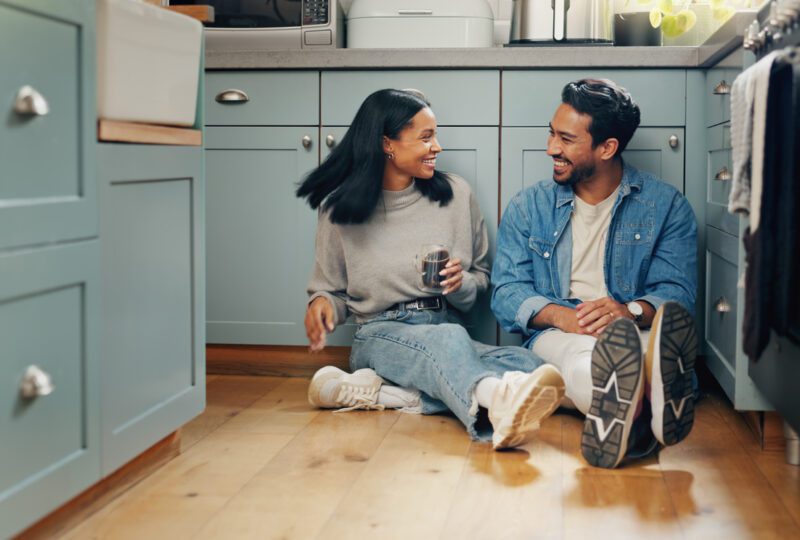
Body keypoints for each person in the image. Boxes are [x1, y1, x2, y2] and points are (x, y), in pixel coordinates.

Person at [296, 88, 565, 450]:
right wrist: (322, 305)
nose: (437, 147)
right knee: (451, 342)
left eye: (435, 136)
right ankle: (493, 404)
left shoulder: (456, 195)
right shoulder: (339, 209)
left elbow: (480, 280)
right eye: (425, 137)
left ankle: (386, 394)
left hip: (444, 327)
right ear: (387, 144)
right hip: (379, 334)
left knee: (532, 366)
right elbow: (331, 291)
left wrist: (459, 283)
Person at [491, 78, 699, 468]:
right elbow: (506, 292)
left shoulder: (666, 206)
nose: (551, 148)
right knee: (581, 357)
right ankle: (648, 405)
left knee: (638, 348)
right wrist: (563, 317)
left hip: (632, 330)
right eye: (552, 133)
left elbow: (677, 293)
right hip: (557, 335)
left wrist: (629, 312)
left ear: (607, 148)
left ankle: (639, 396)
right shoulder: (528, 206)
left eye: (566, 139)